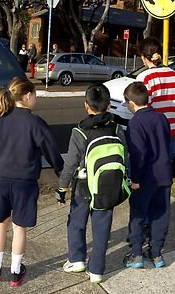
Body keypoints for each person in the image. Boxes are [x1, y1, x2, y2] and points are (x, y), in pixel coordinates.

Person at [0, 77, 64, 287]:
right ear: (27, 96)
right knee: (19, 228)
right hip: (25, 183)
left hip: (0, 180)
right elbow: (51, 150)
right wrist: (62, 172)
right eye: (35, 95)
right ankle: (16, 271)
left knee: (0, 224)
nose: (35, 98)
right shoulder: (35, 123)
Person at [56, 84, 126, 284]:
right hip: (108, 186)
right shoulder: (117, 128)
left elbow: (70, 163)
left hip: (83, 186)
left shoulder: (80, 131)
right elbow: (125, 154)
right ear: (109, 106)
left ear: (87, 106)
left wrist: (62, 188)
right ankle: (97, 271)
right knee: (102, 226)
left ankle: (77, 260)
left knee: (77, 222)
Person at [122, 81, 172, 269]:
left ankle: (136, 254)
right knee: (160, 214)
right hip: (164, 175)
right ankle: (156, 253)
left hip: (145, 178)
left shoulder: (135, 123)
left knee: (138, 214)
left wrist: (135, 179)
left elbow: (138, 155)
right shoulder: (162, 118)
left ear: (131, 103)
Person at [135, 36, 175, 173]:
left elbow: (142, 109)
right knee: (166, 172)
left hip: (153, 133)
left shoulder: (145, 78)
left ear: (145, 57)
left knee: (150, 173)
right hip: (173, 130)